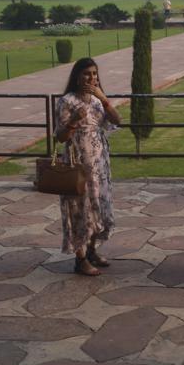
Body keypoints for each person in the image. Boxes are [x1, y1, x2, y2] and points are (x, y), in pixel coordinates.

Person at [55, 58, 122, 276]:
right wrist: (73, 121)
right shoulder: (67, 101)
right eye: (86, 74)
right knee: (80, 210)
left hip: (99, 162)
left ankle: (92, 250)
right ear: (77, 76)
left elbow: (117, 120)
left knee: (98, 207)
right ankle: (80, 258)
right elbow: (61, 137)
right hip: (79, 163)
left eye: (94, 74)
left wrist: (103, 99)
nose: (91, 78)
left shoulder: (96, 100)